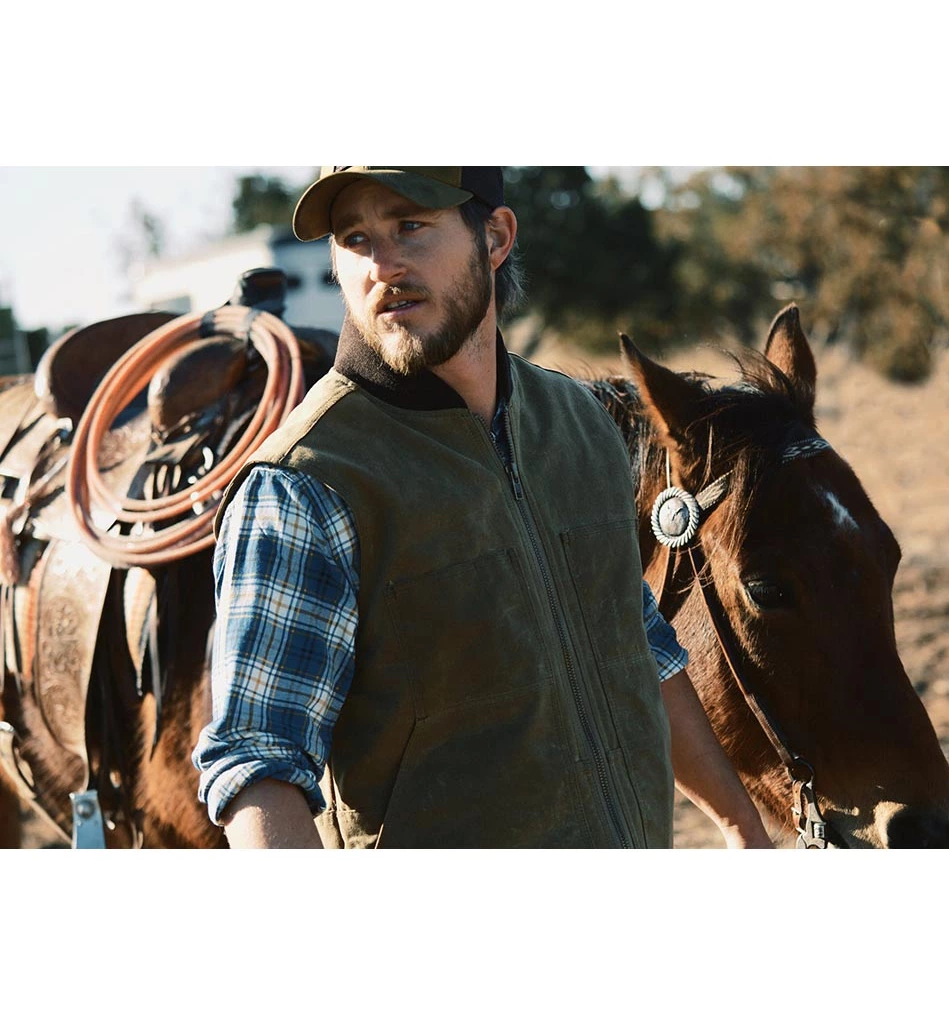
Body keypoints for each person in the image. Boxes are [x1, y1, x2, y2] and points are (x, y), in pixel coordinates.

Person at [192, 166, 773, 849]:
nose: (382, 266)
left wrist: (741, 827)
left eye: (410, 226)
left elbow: (638, 641)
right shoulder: (306, 484)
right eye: (355, 239)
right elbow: (259, 762)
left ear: (494, 237)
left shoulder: (579, 425)